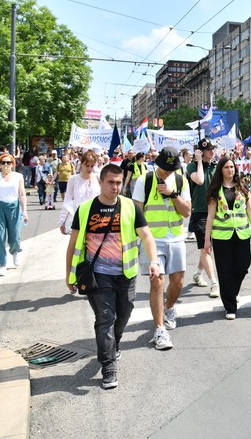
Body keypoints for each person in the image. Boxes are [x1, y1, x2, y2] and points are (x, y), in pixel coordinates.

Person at [65, 164, 159, 389]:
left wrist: (154, 261)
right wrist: (69, 275)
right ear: (101, 182)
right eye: (111, 183)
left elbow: (147, 236)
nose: (115, 187)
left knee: (123, 315)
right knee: (105, 318)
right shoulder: (85, 209)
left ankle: (114, 343)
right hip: (97, 275)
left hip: (126, 273)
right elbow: (73, 244)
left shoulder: (130, 207)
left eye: (118, 183)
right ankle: (108, 367)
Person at [133, 146, 192, 350]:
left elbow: (186, 212)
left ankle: (169, 308)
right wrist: (138, 239)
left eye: (171, 169)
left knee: (178, 282)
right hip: (153, 240)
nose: (168, 172)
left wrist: (172, 194)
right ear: (157, 164)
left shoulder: (181, 181)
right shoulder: (145, 181)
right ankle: (159, 330)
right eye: (165, 169)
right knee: (157, 281)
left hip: (176, 238)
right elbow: (137, 212)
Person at [203, 156, 251, 320]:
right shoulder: (215, 190)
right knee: (225, 270)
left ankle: (231, 292)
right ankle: (230, 307)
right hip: (221, 236)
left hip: (241, 234)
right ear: (221, 170)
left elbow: (250, 211)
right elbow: (210, 216)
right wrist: (207, 240)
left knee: (243, 266)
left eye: (232, 167)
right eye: (226, 167)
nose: (230, 170)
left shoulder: (242, 188)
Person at [0, 153, 28, 276]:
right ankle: (2, 264)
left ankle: (15, 252)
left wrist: (24, 211)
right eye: (3, 162)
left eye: (8, 162)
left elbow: (22, 195)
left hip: (14, 208)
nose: (6, 164)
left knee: (15, 236)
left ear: (13, 164)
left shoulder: (18, 177)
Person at [187, 138, 220, 297]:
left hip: (217, 211)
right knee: (205, 247)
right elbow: (199, 180)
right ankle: (214, 283)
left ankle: (198, 273)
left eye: (213, 148)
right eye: (208, 149)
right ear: (200, 152)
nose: (211, 151)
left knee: (208, 247)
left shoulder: (217, 166)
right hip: (200, 211)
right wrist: (199, 161)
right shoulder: (192, 166)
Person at [59, 150, 101, 235]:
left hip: (95, 219)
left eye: (92, 166)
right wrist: (62, 221)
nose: (89, 169)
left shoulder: (98, 178)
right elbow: (67, 200)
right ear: (81, 164)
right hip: (78, 218)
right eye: (87, 165)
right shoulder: (73, 179)